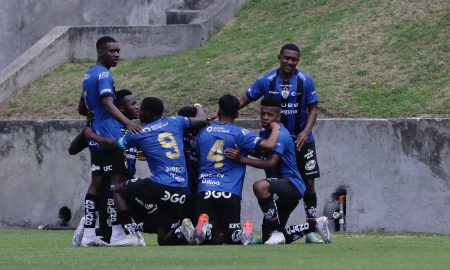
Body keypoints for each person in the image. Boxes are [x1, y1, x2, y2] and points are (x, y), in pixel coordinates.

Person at [84, 97, 208, 245]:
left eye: (141, 109)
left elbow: (111, 144)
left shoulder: (140, 131)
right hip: (181, 189)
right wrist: (197, 105)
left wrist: (91, 135)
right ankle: (182, 231)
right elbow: (202, 119)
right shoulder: (176, 121)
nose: (139, 112)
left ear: (148, 113)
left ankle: (130, 235)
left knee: (116, 190)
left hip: (161, 185)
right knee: (163, 239)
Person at [238, 43, 323, 243]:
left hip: (301, 140)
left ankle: (312, 229)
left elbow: (313, 108)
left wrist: (305, 131)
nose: (290, 62)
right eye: (287, 58)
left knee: (309, 182)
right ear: (279, 58)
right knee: (276, 182)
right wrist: (225, 113)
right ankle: (280, 229)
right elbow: (246, 98)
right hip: (276, 142)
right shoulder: (267, 80)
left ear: (298, 61)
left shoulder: (304, 80)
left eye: (294, 59)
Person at [225, 97, 331, 245]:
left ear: (279, 116)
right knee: (267, 238)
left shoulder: (280, 134)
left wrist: (241, 159)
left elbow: (271, 163)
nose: (265, 117)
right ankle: (315, 225)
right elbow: (261, 152)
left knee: (259, 186)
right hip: (277, 189)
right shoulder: (265, 132)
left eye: (270, 114)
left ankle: (277, 231)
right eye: (263, 114)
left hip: (291, 186)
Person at [77, 36, 141, 247]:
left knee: (97, 182)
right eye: (112, 51)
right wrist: (127, 122)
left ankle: (88, 233)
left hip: (94, 135)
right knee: (116, 184)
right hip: (109, 135)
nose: (116, 55)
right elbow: (107, 103)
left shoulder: (88, 74)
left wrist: (91, 117)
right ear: (100, 52)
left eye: (118, 51)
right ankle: (117, 233)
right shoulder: (104, 74)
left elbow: (81, 108)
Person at [193, 94, 280, 245]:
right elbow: (268, 146)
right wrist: (277, 127)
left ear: (218, 112)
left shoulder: (203, 132)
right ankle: (239, 234)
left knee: (210, 238)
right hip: (230, 192)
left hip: (205, 189)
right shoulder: (241, 134)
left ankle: (206, 230)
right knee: (231, 237)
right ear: (237, 114)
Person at [70, 89, 145, 246]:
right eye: (133, 104)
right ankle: (88, 225)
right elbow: (72, 149)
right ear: (121, 109)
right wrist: (87, 130)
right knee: (105, 236)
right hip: (108, 195)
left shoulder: (135, 129)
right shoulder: (106, 129)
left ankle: (129, 230)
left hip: (127, 189)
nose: (137, 107)